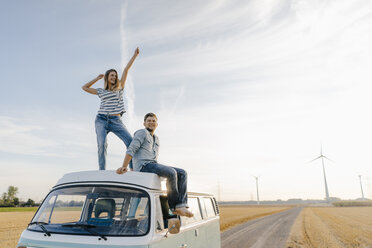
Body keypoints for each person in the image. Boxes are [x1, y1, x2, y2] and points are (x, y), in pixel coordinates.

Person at [116, 113, 193, 217]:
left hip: (153, 165)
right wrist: (124, 166)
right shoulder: (141, 133)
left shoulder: (157, 138)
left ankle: (181, 205)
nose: (151, 123)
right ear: (144, 123)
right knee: (171, 173)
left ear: (157, 124)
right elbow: (131, 149)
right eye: (149, 121)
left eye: (153, 121)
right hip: (144, 166)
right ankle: (174, 207)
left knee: (182, 173)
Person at [82, 47, 139, 170]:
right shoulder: (101, 91)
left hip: (116, 121)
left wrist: (135, 55)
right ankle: (102, 170)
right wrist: (97, 78)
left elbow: (126, 70)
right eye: (112, 75)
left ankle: (132, 168)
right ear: (107, 77)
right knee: (102, 144)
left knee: (130, 142)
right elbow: (84, 87)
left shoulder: (120, 88)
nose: (114, 77)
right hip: (101, 120)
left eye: (115, 75)